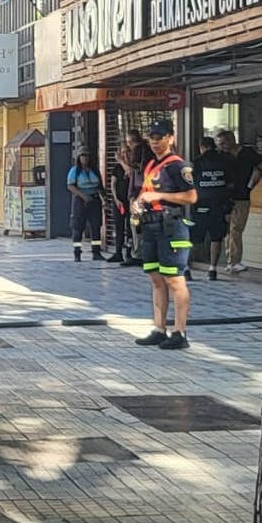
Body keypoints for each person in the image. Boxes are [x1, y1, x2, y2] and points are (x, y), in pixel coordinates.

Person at [132, 118, 197, 350]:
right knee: (155, 278)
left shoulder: (178, 165)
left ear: (170, 138)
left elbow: (191, 197)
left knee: (175, 280)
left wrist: (160, 197)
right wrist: (138, 202)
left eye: (160, 138)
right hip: (150, 225)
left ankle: (180, 332)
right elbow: (145, 191)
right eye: (152, 138)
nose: (156, 142)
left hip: (171, 226)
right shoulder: (150, 165)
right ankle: (159, 328)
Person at [216, 129, 262, 273]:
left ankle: (233, 260)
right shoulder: (221, 156)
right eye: (219, 144)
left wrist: (252, 183)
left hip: (242, 195)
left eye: (224, 143)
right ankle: (231, 260)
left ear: (232, 140)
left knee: (236, 228)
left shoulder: (247, 153)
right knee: (229, 229)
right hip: (225, 196)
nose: (222, 147)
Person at [192, 137, 235, 281]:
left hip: (201, 205)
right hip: (220, 205)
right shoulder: (225, 161)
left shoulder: (197, 163)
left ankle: (186, 269)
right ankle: (212, 269)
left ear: (202, 147)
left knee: (196, 238)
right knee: (216, 237)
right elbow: (230, 184)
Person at [116, 129, 152, 267]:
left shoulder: (140, 150)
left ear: (130, 141)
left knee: (137, 224)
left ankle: (139, 254)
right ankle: (140, 253)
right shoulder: (146, 150)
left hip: (140, 193)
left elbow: (132, 170)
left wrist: (121, 160)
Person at [66, 147, 105, 262]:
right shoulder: (75, 170)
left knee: (95, 226)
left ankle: (96, 252)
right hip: (80, 201)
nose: (85, 158)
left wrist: (105, 199)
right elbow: (70, 186)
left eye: (87, 155)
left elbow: (100, 186)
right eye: (83, 155)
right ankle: (77, 253)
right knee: (78, 227)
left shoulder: (94, 170)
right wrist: (83, 196)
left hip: (94, 200)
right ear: (79, 157)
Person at [109, 161, 130, 263]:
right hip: (119, 201)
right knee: (119, 227)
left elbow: (130, 173)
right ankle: (118, 252)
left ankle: (129, 253)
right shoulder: (117, 167)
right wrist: (116, 199)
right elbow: (113, 184)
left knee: (131, 228)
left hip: (130, 201)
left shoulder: (131, 167)